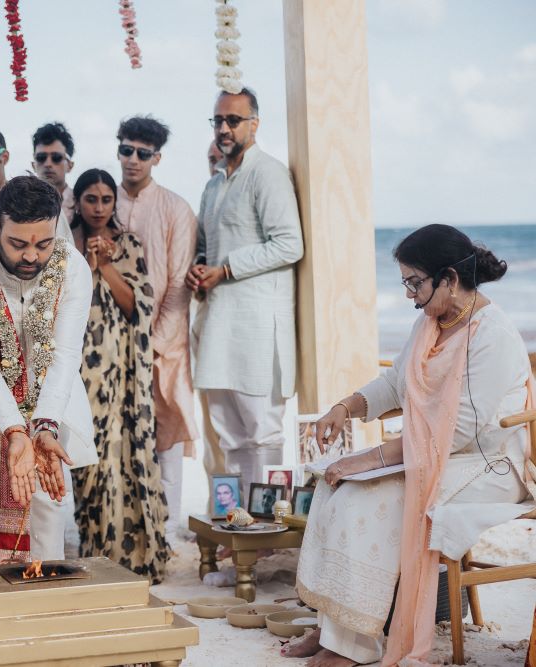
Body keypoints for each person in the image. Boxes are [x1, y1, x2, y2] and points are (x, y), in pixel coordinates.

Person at [289, 225, 534, 667]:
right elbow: (394, 384)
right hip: (434, 454)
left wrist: (372, 457)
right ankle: (330, 629)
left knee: (367, 495)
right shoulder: (431, 324)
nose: (408, 295)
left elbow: (457, 432)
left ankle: (351, 646)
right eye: (405, 282)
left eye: (414, 282)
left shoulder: (491, 336)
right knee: (332, 483)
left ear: (450, 280)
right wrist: (345, 407)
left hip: (488, 465)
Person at [0, 175, 97, 564]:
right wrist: (14, 429)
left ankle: (47, 598)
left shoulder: (73, 267)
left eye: (43, 244)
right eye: (18, 243)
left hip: (54, 399)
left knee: (48, 503)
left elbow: (65, 355)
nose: (31, 256)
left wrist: (43, 426)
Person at [188, 87, 304, 488]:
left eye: (232, 120)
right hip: (219, 322)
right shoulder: (214, 185)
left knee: (264, 433)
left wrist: (225, 270)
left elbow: (290, 243)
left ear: (254, 124)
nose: (223, 128)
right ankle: (241, 524)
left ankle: (271, 525)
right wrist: (199, 271)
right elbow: (205, 248)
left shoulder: (267, 173)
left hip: (256, 326)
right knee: (230, 436)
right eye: (217, 120)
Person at [68, 168, 169, 583]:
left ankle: (130, 559)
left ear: (115, 203)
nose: (98, 207)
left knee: (121, 459)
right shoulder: (62, 244)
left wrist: (106, 266)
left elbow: (139, 309)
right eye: (90, 199)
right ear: (77, 201)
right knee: (85, 464)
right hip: (75, 369)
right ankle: (94, 551)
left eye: (106, 199)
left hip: (120, 373)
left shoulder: (127, 244)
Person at [115, 115, 198, 546]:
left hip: (162, 346)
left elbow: (180, 283)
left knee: (166, 434)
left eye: (142, 153)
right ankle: (129, 528)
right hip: (111, 344)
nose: (132, 160)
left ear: (157, 158)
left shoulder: (177, 209)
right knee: (123, 434)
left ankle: (166, 530)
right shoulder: (102, 201)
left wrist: (152, 344)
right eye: (125, 150)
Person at [192, 139, 227, 494]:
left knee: (238, 431)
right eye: (210, 159)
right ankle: (218, 509)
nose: (215, 165)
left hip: (239, 330)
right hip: (205, 323)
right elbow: (199, 251)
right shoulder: (209, 195)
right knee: (211, 427)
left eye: (220, 160)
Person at [32, 122, 75, 220]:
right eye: (41, 157)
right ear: (33, 164)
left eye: (56, 157)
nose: (48, 164)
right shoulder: (20, 202)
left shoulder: (82, 204)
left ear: (70, 165)